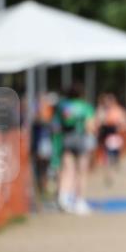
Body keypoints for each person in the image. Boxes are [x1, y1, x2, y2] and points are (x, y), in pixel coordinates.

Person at [51, 83, 96, 215]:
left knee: (67, 169)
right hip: (81, 138)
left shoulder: (63, 106)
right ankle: (79, 201)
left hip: (67, 138)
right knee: (81, 171)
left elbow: (56, 124)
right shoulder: (86, 107)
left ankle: (63, 198)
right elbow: (90, 126)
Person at [95, 92, 126, 187]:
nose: (108, 102)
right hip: (105, 137)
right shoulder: (101, 110)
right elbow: (96, 122)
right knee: (107, 158)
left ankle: (114, 168)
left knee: (114, 159)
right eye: (106, 100)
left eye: (110, 100)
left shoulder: (119, 110)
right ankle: (109, 176)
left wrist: (120, 127)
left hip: (115, 137)